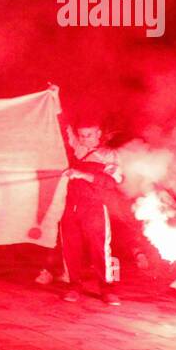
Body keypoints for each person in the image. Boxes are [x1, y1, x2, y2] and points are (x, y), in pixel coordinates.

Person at [58, 121, 123, 306]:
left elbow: (111, 183)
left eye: (89, 135)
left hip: (94, 207)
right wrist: (53, 98)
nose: (85, 139)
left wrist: (82, 174)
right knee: (70, 247)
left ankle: (107, 289)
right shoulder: (76, 150)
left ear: (98, 133)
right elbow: (64, 125)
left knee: (99, 248)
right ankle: (74, 286)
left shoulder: (109, 155)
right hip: (71, 207)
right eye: (82, 135)